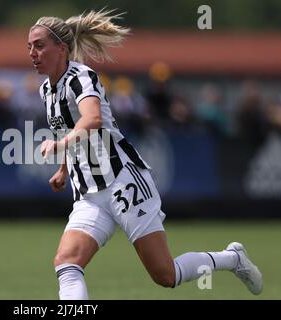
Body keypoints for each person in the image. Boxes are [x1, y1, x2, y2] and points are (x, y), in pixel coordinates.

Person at [27, 9, 263, 299]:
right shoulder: (46, 91)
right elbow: (67, 127)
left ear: (61, 48)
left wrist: (60, 146)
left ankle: (232, 258)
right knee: (67, 262)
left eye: (39, 45)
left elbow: (91, 120)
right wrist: (64, 169)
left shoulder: (82, 77)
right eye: (29, 47)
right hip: (89, 193)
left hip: (122, 182)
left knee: (165, 275)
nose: (32, 53)